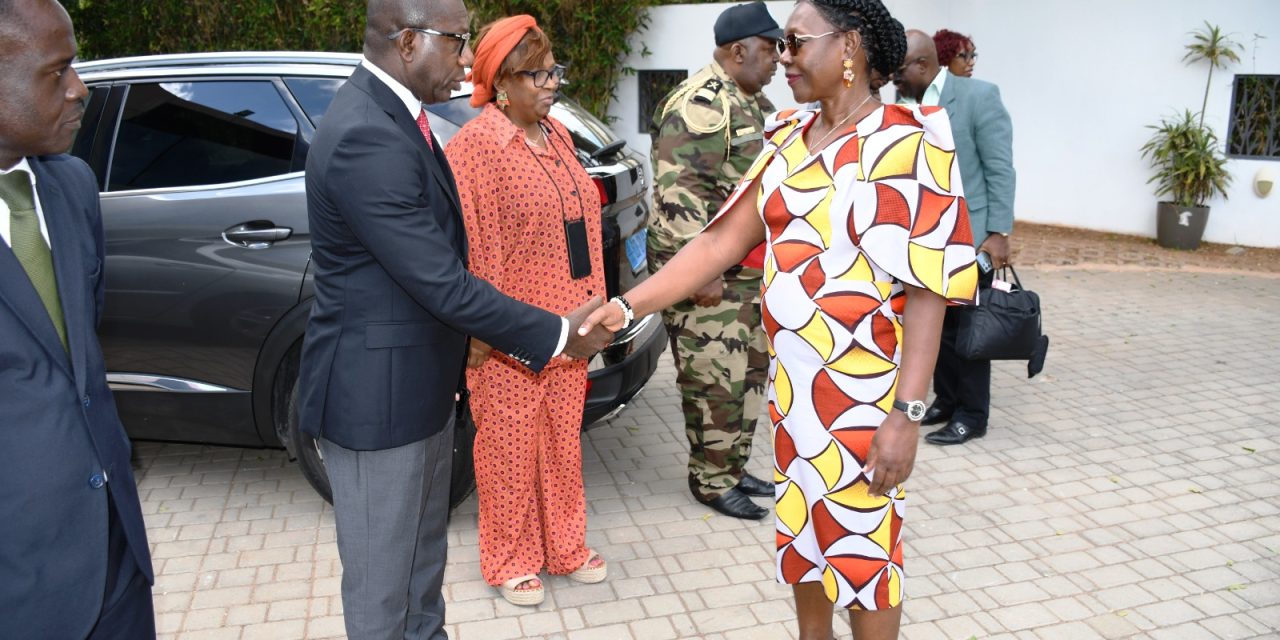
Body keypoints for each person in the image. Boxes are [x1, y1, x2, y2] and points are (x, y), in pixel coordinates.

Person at [581, 1, 977, 637]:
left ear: (848, 46)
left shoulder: (910, 143)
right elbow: (717, 243)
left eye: (795, 42)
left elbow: (929, 289)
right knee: (806, 548)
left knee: (866, 560)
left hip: (862, 400)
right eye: (783, 44)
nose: (784, 55)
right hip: (796, 398)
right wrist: (627, 307)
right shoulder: (788, 136)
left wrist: (908, 414)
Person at [297, 0, 614, 636]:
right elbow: (442, 281)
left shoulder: (400, 118)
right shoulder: (367, 131)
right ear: (409, 42)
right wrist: (557, 333)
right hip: (376, 407)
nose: (469, 59)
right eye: (459, 41)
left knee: (421, 582)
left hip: (416, 392)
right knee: (384, 597)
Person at [0, 0, 155, 637]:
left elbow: (78, 359)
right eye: (56, 71)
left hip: (115, 558)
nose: (79, 89)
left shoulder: (72, 185)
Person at [443, 15, 608, 607]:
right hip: (511, 330)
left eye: (551, 71)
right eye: (534, 74)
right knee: (508, 448)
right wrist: (483, 338)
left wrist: (597, 314)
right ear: (500, 81)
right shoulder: (475, 149)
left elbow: (583, 223)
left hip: (572, 328)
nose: (549, 84)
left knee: (562, 441)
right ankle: (509, 559)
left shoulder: (557, 135)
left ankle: (564, 546)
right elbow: (474, 254)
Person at [647, 0, 781, 521]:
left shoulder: (748, 102)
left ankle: (731, 464)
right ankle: (710, 481)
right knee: (713, 382)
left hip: (745, 276)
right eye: (770, 50)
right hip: (709, 278)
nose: (777, 60)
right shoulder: (703, 104)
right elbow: (680, 194)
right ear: (738, 50)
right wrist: (697, 275)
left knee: (747, 377)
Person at [894, 28, 1015, 446]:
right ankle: (945, 400)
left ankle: (972, 415)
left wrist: (998, 233)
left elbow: (1000, 169)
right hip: (925, 236)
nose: (894, 79)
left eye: (899, 70)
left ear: (924, 65)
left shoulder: (979, 97)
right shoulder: (903, 104)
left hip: (972, 234)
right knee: (935, 326)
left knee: (968, 328)